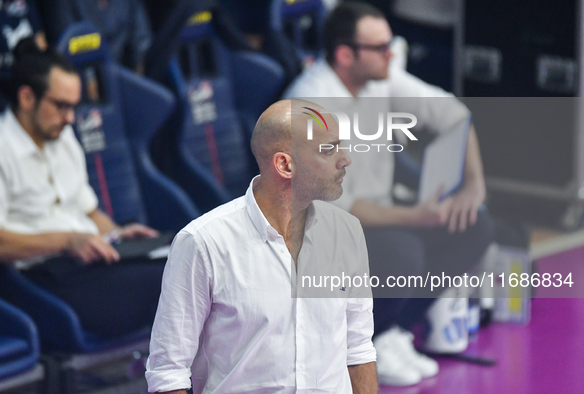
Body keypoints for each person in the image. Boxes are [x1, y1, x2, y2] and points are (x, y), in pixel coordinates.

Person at [283, 1, 494, 387]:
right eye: (380, 48)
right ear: (346, 55)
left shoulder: (381, 80)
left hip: (377, 215)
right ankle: (358, 348)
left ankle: (393, 329)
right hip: (319, 230)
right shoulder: (312, 105)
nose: (391, 54)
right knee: (402, 251)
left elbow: (455, 114)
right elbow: (334, 204)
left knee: (474, 226)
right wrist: (414, 217)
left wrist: (473, 186)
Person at [145, 99, 378, 394]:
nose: (345, 159)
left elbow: (357, 348)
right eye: (328, 150)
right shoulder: (203, 242)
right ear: (285, 164)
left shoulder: (346, 231)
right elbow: (168, 373)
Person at [0, 38, 164, 339]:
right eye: (61, 106)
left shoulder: (62, 138)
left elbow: (87, 210)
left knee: (186, 259)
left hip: (86, 266)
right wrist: (66, 241)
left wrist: (116, 234)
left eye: (74, 107)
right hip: (40, 279)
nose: (71, 118)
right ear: (26, 97)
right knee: (172, 283)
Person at [40, 0, 152, 74]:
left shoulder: (128, 3)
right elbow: (67, 45)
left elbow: (141, 44)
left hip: (120, 76)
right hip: (79, 75)